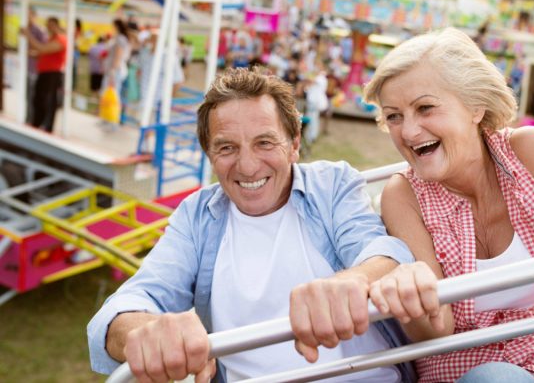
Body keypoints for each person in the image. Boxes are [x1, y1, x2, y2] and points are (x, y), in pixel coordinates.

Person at [87, 68, 416, 382]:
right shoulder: (197, 216)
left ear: (295, 144)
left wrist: (356, 279)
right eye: (227, 148)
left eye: (265, 143)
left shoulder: (330, 185)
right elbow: (129, 303)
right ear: (210, 155)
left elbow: (383, 253)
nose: (247, 166)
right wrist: (142, 330)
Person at [362, 27, 534, 382]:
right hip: (468, 367)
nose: (410, 132)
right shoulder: (403, 195)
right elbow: (438, 329)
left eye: (425, 108)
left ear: (475, 106)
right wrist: (410, 299)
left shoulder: (531, 151)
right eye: (394, 116)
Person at [20, 16, 68, 133]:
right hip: (44, 73)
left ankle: (46, 125)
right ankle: (37, 122)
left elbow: (43, 49)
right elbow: (42, 53)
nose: (48, 27)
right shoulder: (51, 39)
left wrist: (28, 35)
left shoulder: (61, 39)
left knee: (47, 100)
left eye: (51, 25)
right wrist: (30, 53)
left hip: (52, 74)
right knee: (38, 99)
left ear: (56, 25)